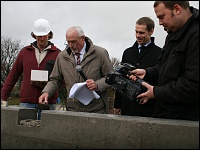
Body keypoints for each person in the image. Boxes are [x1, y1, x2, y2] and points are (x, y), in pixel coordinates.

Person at [129, 1, 199, 121]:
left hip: (185, 122)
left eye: (161, 17)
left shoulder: (195, 35)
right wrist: (147, 73)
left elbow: (192, 85)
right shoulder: (172, 32)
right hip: (165, 115)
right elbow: (162, 67)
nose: (160, 23)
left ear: (177, 9)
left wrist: (156, 92)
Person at [38, 26, 113, 113]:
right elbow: (55, 79)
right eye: (68, 42)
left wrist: (97, 85)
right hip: (72, 109)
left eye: (73, 41)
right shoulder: (62, 57)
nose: (70, 45)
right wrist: (46, 92)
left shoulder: (100, 53)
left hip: (96, 109)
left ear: (82, 38)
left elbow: (111, 78)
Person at [1, 18, 61, 119]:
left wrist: (49, 87)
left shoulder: (58, 54)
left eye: (44, 36)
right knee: (24, 133)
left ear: (49, 35)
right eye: (39, 36)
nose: (41, 39)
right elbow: (13, 75)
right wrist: (3, 97)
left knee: (46, 134)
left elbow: (62, 79)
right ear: (34, 35)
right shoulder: (24, 52)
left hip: (48, 103)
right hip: (26, 103)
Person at [114, 17, 161, 117]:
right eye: (136, 32)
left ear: (151, 31)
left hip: (148, 107)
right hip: (127, 107)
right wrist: (117, 104)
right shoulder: (127, 52)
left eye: (141, 33)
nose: (138, 36)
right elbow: (120, 78)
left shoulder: (160, 53)